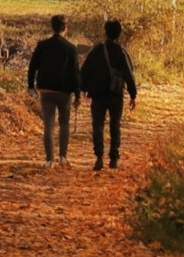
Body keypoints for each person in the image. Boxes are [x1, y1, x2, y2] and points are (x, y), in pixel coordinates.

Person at [79, 19, 137, 170]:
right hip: (116, 94)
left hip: (98, 94)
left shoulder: (96, 51)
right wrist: (133, 95)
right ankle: (114, 158)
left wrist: (83, 89)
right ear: (119, 35)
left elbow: (85, 70)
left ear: (105, 32)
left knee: (98, 124)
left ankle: (99, 156)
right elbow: (129, 74)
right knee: (115, 124)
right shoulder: (121, 52)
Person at [28, 14, 81, 168]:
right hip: (64, 91)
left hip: (46, 90)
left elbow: (32, 66)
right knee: (64, 123)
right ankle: (63, 157)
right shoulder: (71, 48)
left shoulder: (42, 45)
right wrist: (77, 94)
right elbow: (75, 73)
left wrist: (31, 86)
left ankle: (49, 160)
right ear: (65, 28)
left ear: (52, 27)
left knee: (49, 124)